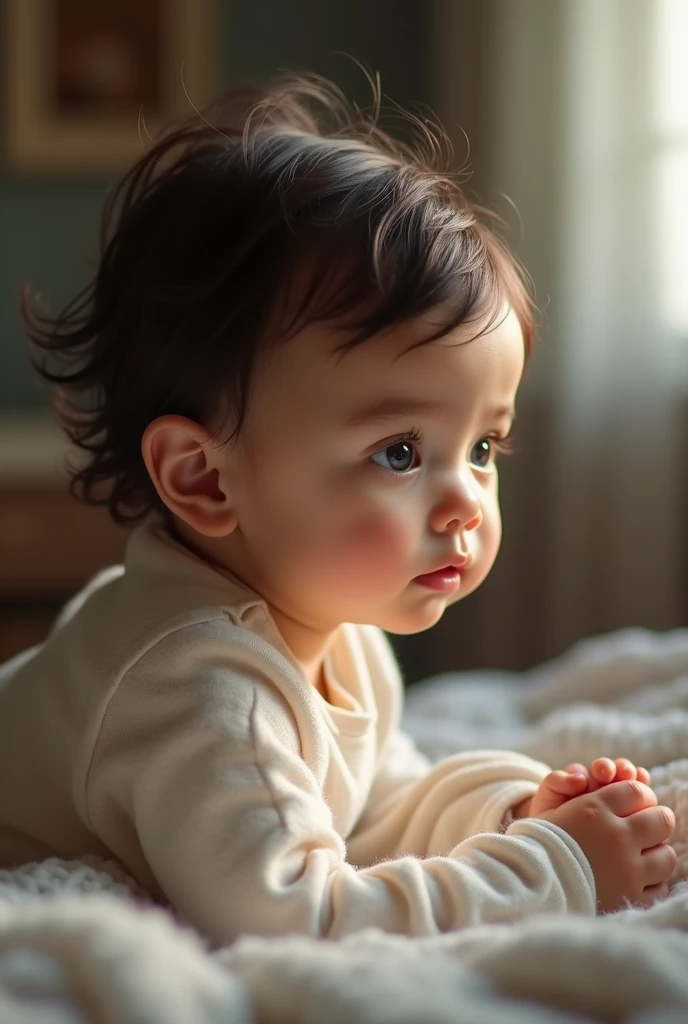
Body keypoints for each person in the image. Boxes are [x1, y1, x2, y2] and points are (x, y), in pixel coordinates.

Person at [0, 75, 675, 947]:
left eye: (483, 447)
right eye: (399, 453)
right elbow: (305, 914)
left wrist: (514, 812)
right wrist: (555, 870)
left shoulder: (333, 627)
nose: (466, 499)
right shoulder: (198, 696)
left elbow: (371, 803)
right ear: (206, 479)